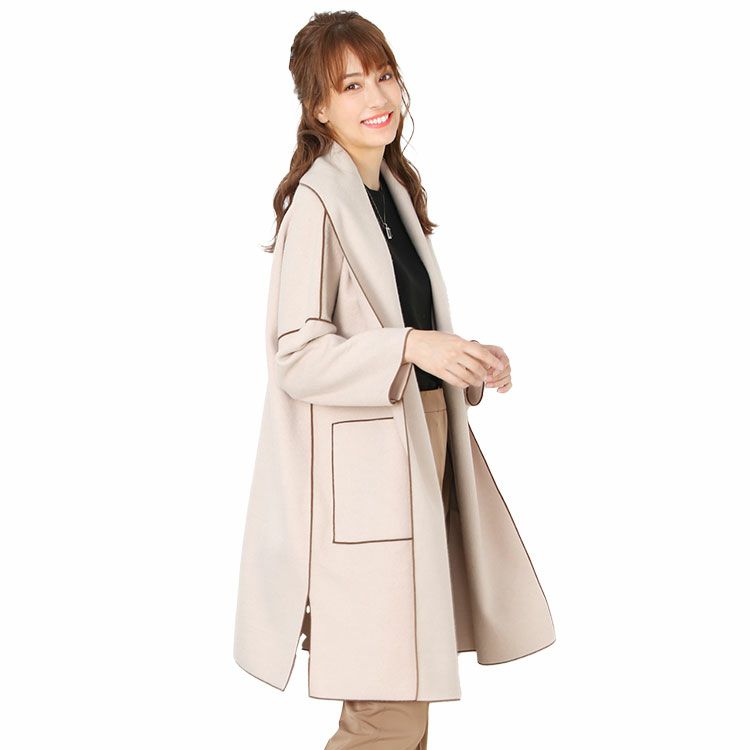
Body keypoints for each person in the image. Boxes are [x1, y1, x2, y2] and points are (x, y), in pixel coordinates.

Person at [234, 11, 555, 749]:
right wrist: (412, 347)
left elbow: (401, 332)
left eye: (383, 75)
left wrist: (461, 358)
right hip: (367, 482)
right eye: (350, 85)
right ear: (318, 107)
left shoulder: (390, 192)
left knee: (408, 697)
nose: (377, 96)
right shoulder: (318, 201)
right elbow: (295, 355)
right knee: (386, 709)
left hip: (421, 448)